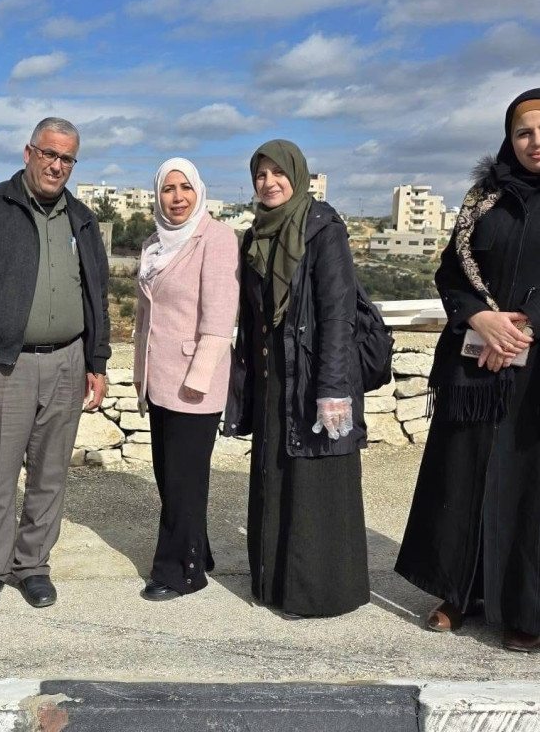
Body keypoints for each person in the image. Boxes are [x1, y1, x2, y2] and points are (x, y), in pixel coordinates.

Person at [0, 117, 110, 611]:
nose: (57, 165)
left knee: (51, 474)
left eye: (67, 158)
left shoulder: (82, 219)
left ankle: (32, 565)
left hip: (68, 362)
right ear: (29, 152)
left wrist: (97, 361)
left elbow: (96, 293)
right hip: (3, 365)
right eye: (49, 153)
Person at [395, 88, 540, 652]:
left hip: (534, 371)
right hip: (476, 362)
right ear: (509, 138)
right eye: (524, 132)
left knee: (528, 487)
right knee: (465, 476)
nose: (535, 142)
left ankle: (525, 608)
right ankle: (460, 592)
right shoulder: (485, 198)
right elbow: (452, 272)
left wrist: (522, 329)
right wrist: (481, 317)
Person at [224, 139, 370, 618]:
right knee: (275, 478)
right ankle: (273, 584)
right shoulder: (255, 235)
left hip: (314, 374)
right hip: (273, 376)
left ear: (298, 175)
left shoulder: (323, 228)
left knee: (315, 482)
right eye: (260, 175)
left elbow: (337, 313)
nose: (269, 183)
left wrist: (333, 388)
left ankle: (319, 594)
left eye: (278, 173)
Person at [132, 158, 239, 601]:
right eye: (168, 189)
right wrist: (140, 373)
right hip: (159, 378)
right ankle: (199, 551)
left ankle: (180, 573)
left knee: (183, 480)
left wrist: (199, 377)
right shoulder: (154, 244)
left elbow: (219, 318)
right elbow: (146, 316)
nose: (177, 197)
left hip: (195, 381)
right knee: (170, 476)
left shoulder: (217, 238)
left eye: (185, 188)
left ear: (199, 191)